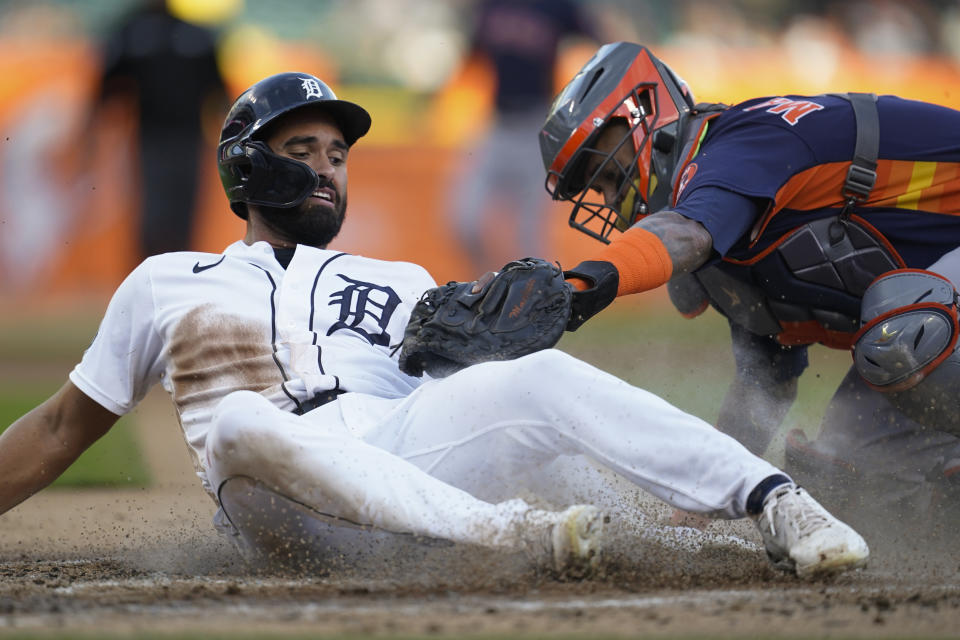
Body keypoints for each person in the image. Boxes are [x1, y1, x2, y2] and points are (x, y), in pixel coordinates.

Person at [0, 71, 869, 579]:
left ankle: (774, 506)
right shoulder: (165, 282)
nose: (329, 171)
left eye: (338, 157)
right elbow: (61, 426)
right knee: (238, 419)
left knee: (527, 381)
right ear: (245, 166)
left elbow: (500, 415)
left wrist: (503, 357)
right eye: (302, 152)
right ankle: (516, 538)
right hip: (276, 504)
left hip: (407, 472)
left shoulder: (401, 278)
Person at [537, 41, 960, 541]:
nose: (610, 197)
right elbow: (765, 383)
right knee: (848, 479)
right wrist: (701, 502)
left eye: (607, 172)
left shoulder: (743, 142)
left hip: (925, 313)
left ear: (648, 114)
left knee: (905, 338)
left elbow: (686, 235)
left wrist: (573, 288)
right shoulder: (723, 222)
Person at [448, 0, 599, 272]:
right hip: (497, 125)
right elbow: (472, 55)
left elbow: (600, 43)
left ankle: (538, 303)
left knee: (531, 236)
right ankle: (486, 292)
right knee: (464, 219)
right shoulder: (490, 5)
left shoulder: (558, 6)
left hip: (537, 128)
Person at [91, 0, 229, 259]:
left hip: (185, 137)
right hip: (152, 138)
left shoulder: (187, 34)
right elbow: (107, 85)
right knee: (155, 215)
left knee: (181, 214)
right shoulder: (135, 32)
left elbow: (219, 90)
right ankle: (149, 276)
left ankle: (178, 273)